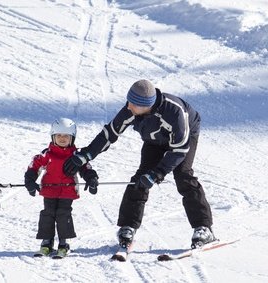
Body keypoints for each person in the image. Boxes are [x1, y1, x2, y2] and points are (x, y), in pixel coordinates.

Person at [63, 79, 214, 249]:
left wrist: (157, 173)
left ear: (145, 105)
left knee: (183, 176)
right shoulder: (131, 108)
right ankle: (128, 226)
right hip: (154, 140)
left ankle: (204, 228)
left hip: (183, 138)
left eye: (133, 104)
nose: (128, 107)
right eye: (129, 102)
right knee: (140, 178)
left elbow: (179, 151)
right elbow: (109, 134)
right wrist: (86, 155)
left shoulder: (174, 113)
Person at [24, 117, 99, 257]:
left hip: (67, 190)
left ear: (72, 138)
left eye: (66, 136)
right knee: (48, 214)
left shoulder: (76, 156)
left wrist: (91, 178)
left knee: (63, 214)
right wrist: (30, 180)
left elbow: (85, 168)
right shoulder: (47, 154)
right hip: (49, 190)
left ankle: (64, 243)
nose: (62, 138)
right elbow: (34, 166)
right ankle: (46, 242)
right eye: (59, 135)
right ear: (53, 136)